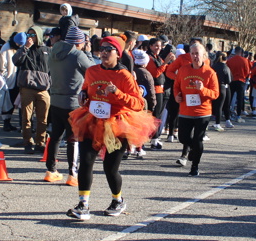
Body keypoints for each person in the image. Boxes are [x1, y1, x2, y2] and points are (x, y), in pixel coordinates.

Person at [66, 36, 156, 220]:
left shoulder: (124, 75)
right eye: (102, 49)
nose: (104, 53)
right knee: (86, 162)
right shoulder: (92, 71)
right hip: (92, 121)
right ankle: (83, 205)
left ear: (118, 53)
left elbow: (139, 103)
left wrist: (117, 92)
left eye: (109, 50)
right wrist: (83, 95)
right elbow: (86, 88)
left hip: (117, 124)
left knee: (110, 167)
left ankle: (118, 200)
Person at [46, 25, 93, 183]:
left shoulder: (53, 51)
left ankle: (51, 170)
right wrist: (88, 53)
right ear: (79, 42)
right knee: (73, 139)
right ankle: (72, 174)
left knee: (55, 137)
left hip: (55, 99)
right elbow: (92, 71)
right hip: (73, 102)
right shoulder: (77, 55)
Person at [174, 42, 219, 176]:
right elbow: (176, 86)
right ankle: (194, 149)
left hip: (202, 112)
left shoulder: (210, 72)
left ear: (204, 55)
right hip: (185, 111)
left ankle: (195, 167)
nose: (195, 56)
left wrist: (203, 89)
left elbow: (215, 94)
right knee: (183, 138)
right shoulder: (183, 70)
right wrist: (177, 96)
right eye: (192, 54)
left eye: (197, 54)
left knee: (198, 139)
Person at [12, 26, 51, 154]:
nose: (30, 37)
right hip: (27, 87)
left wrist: (50, 82)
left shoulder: (47, 50)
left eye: (33, 35)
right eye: (28, 35)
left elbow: (52, 68)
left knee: (43, 118)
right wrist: (25, 47)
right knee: (26, 118)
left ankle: (40, 142)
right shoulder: (25, 49)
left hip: (43, 89)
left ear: (38, 35)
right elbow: (16, 61)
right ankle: (27, 142)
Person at [226, 47, 251, 120]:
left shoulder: (230, 60)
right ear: (241, 52)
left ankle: (228, 113)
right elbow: (247, 71)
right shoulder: (245, 60)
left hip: (232, 80)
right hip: (241, 80)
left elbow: (228, 70)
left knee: (230, 98)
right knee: (240, 98)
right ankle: (238, 115)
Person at [211, 51, 232, 131]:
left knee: (215, 105)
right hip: (222, 87)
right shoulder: (225, 67)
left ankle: (213, 122)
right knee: (221, 106)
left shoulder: (213, 66)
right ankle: (218, 123)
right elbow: (229, 80)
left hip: (214, 87)